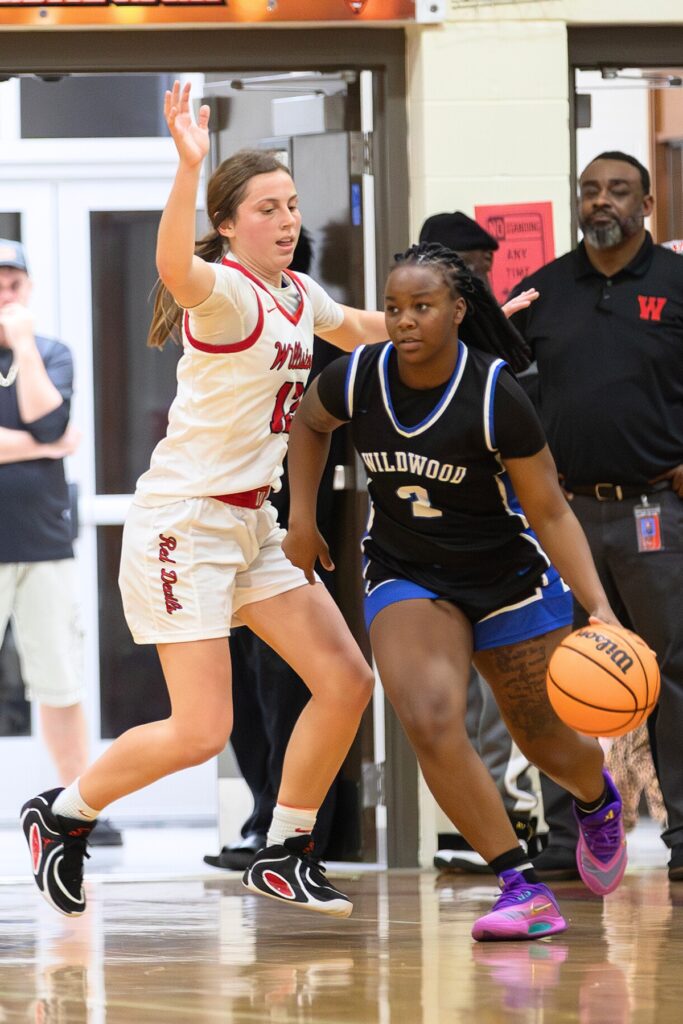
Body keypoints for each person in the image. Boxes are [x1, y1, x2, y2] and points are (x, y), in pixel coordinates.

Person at [20, 80, 387, 919]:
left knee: (344, 679)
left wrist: (469, 320)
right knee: (201, 731)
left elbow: (363, 326)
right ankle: (64, 813)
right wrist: (187, 164)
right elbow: (169, 267)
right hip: (184, 524)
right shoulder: (223, 292)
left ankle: (285, 849)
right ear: (229, 224)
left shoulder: (298, 296)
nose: (287, 220)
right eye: (266, 208)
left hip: (249, 522)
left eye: (292, 205)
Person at [283, 241, 628, 942]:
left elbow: (550, 511)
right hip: (408, 572)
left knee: (546, 739)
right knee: (429, 715)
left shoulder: (496, 393)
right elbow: (308, 423)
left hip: (506, 579)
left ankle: (595, 799)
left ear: (457, 310)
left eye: (421, 306)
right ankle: (517, 887)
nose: (403, 320)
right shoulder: (358, 378)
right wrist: (299, 515)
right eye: (392, 307)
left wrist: (596, 606)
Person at [508, 151, 683, 883]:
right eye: (589, 191)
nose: (600, 202)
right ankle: (563, 834)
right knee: (555, 675)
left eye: (617, 191)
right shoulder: (542, 290)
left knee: (672, 675)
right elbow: (504, 392)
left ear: (646, 204)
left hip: (654, 515)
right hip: (561, 517)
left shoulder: (676, 286)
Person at [418, 211, 543, 872]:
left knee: (499, 690)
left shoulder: (497, 350)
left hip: (497, 538)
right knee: (448, 694)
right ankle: (470, 822)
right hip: (426, 546)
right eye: (477, 269)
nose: (489, 282)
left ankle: (500, 815)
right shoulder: (406, 353)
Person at [0, 239, 122, 849]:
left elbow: (49, 422)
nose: (5, 291)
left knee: (60, 683)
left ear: (28, 289)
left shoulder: (49, 353)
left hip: (44, 543)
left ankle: (76, 807)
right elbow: (54, 436)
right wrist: (46, 443)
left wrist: (22, 345)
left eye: (13, 282)